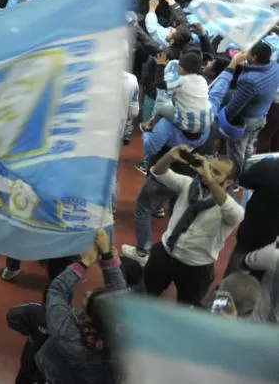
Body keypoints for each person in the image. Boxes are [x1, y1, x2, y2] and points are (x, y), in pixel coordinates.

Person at [141, 145, 243, 305]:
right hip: (164, 254)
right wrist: (170, 156)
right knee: (145, 295)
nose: (207, 173)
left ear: (228, 181)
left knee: (186, 310)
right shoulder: (189, 185)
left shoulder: (232, 209)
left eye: (216, 172)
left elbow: (231, 211)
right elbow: (158, 172)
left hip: (196, 268)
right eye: (209, 168)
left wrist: (210, 179)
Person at [35, 230, 125, 384]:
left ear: (88, 313)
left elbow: (57, 290)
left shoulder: (68, 332)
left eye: (89, 296)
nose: (88, 292)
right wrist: (107, 257)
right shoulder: (124, 338)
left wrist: (85, 261)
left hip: (56, 376)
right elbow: (120, 296)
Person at [219, 44, 279, 168]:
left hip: (247, 121)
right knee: (248, 147)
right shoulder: (275, 67)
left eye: (249, 52)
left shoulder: (250, 80)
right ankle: (247, 170)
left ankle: (235, 179)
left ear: (255, 57)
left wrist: (224, 116)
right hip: (262, 116)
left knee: (236, 153)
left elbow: (235, 106)